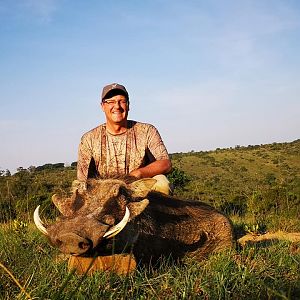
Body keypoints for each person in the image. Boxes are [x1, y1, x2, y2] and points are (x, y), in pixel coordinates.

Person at [76, 83, 172, 193]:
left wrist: (138, 174)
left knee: (162, 184)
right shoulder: (89, 139)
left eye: (121, 101)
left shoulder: (147, 130)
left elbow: (166, 163)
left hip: (138, 186)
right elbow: (82, 180)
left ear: (128, 105)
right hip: (105, 191)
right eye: (110, 102)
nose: (117, 106)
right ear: (102, 106)